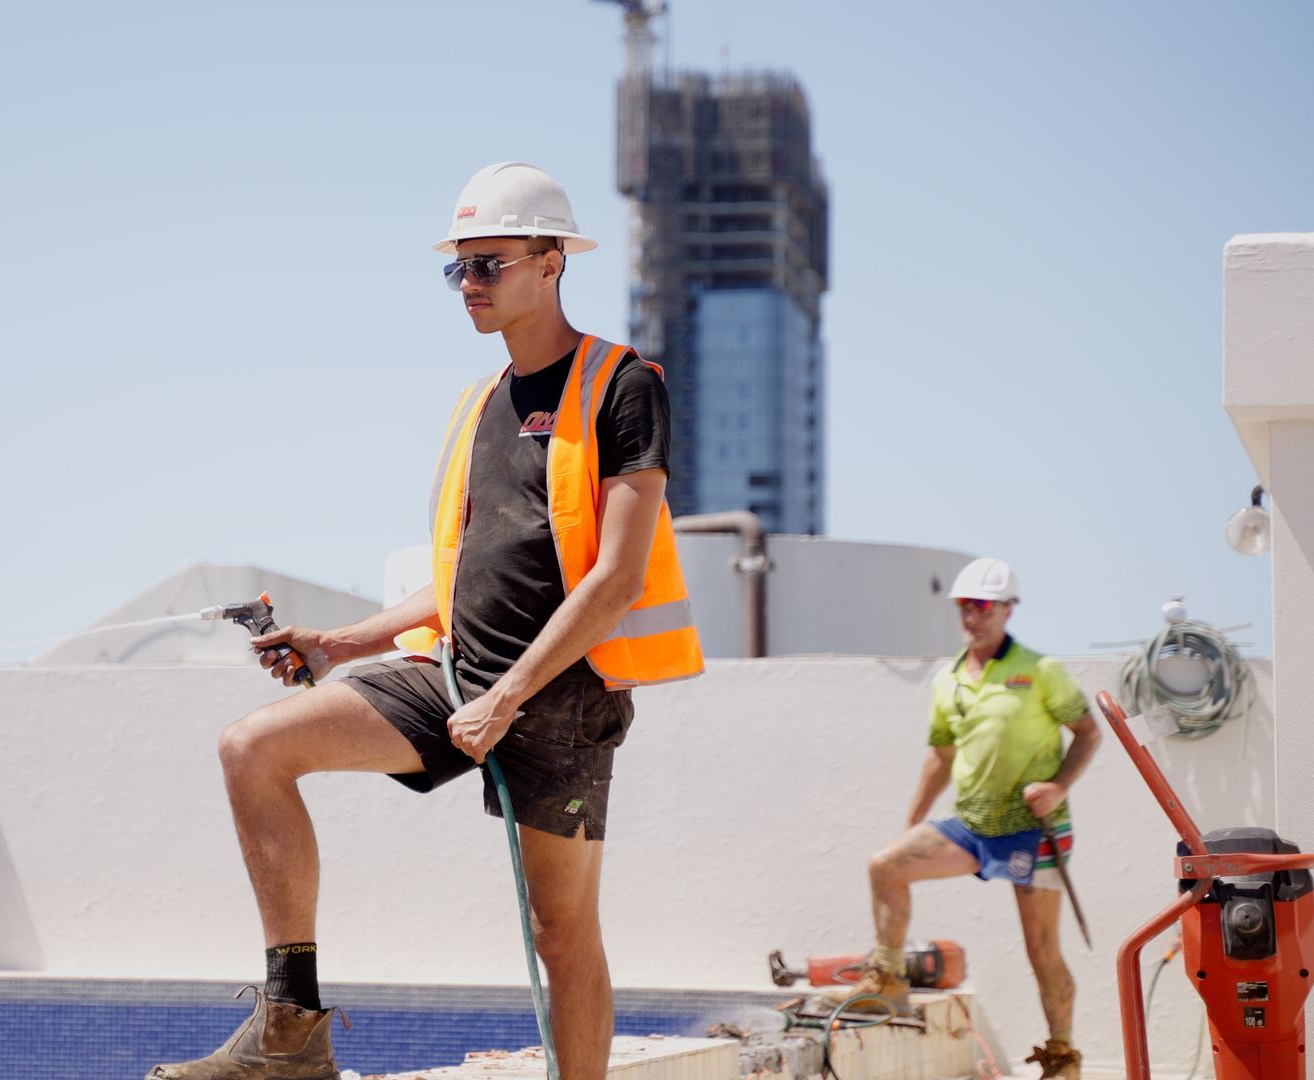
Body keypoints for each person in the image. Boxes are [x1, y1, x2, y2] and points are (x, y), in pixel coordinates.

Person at [147, 162, 703, 1080]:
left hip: (558, 700)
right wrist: (340, 642)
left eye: (489, 264)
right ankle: (292, 1028)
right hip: (452, 677)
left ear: (552, 261)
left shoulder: (621, 384)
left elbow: (615, 580)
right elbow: (459, 579)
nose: (470, 286)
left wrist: (510, 698)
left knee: (560, 934)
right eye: (460, 269)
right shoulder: (475, 405)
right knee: (254, 747)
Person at [828, 557, 1098, 1080]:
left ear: (1006, 609)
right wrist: (913, 822)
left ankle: (1063, 1058)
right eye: (964, 606)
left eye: (982, 606)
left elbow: (1087, 733)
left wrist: (1059, 785)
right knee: (886, 864)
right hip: (972, 824)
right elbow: (942, 755)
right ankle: (888, 977)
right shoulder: (948, 678)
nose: (972, 616)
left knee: (1042, 950)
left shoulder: (1040, 672)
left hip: (1032, 828)